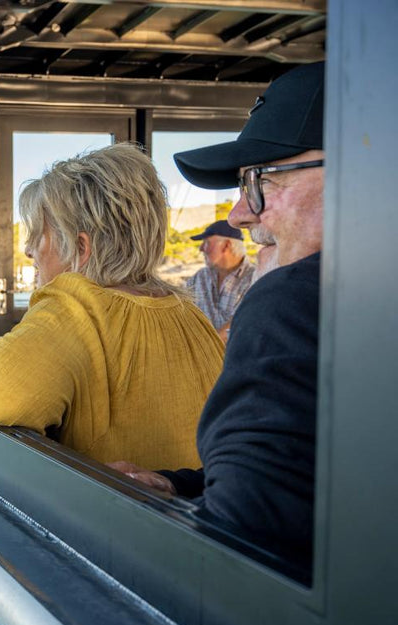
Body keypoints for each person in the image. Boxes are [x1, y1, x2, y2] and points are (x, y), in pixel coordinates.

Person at [109, 62, 325, 570]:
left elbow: (235, 556)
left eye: (259, 179)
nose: (238, 214)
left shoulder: (291, 299)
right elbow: (324, 480)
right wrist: (182, 485)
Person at [0, 143, 224, 470]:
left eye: (37, 236)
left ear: (80, 247)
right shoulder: (190, 315)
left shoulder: (75, 305)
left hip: (113, 516)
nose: (29, 251)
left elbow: (0, 398)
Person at [186, 220, 255, 343]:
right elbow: (183, 312)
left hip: (235, 360)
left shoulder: (255, 279)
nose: (201, 249)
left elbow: (243, 321)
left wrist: (206, 347)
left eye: (207, 243)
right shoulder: (199, 278)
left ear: (226, 245)